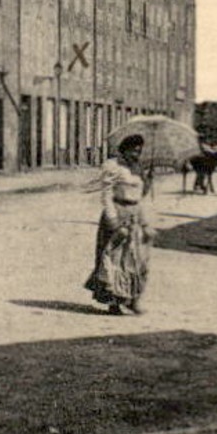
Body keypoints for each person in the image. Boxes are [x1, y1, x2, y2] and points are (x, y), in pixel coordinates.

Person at [85, 134, 153, 316]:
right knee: (114, 259)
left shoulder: (138, 168)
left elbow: (141, 196)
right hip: (118, 211)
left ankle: (132, 300)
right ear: (124, 149)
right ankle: (113, 302)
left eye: (139, 151)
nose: (136, 154)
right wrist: (113, 220)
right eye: (133, 150)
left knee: (137, 259)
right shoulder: (113, 166)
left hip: (134, 215)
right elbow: (106, 194)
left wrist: (147, 181)